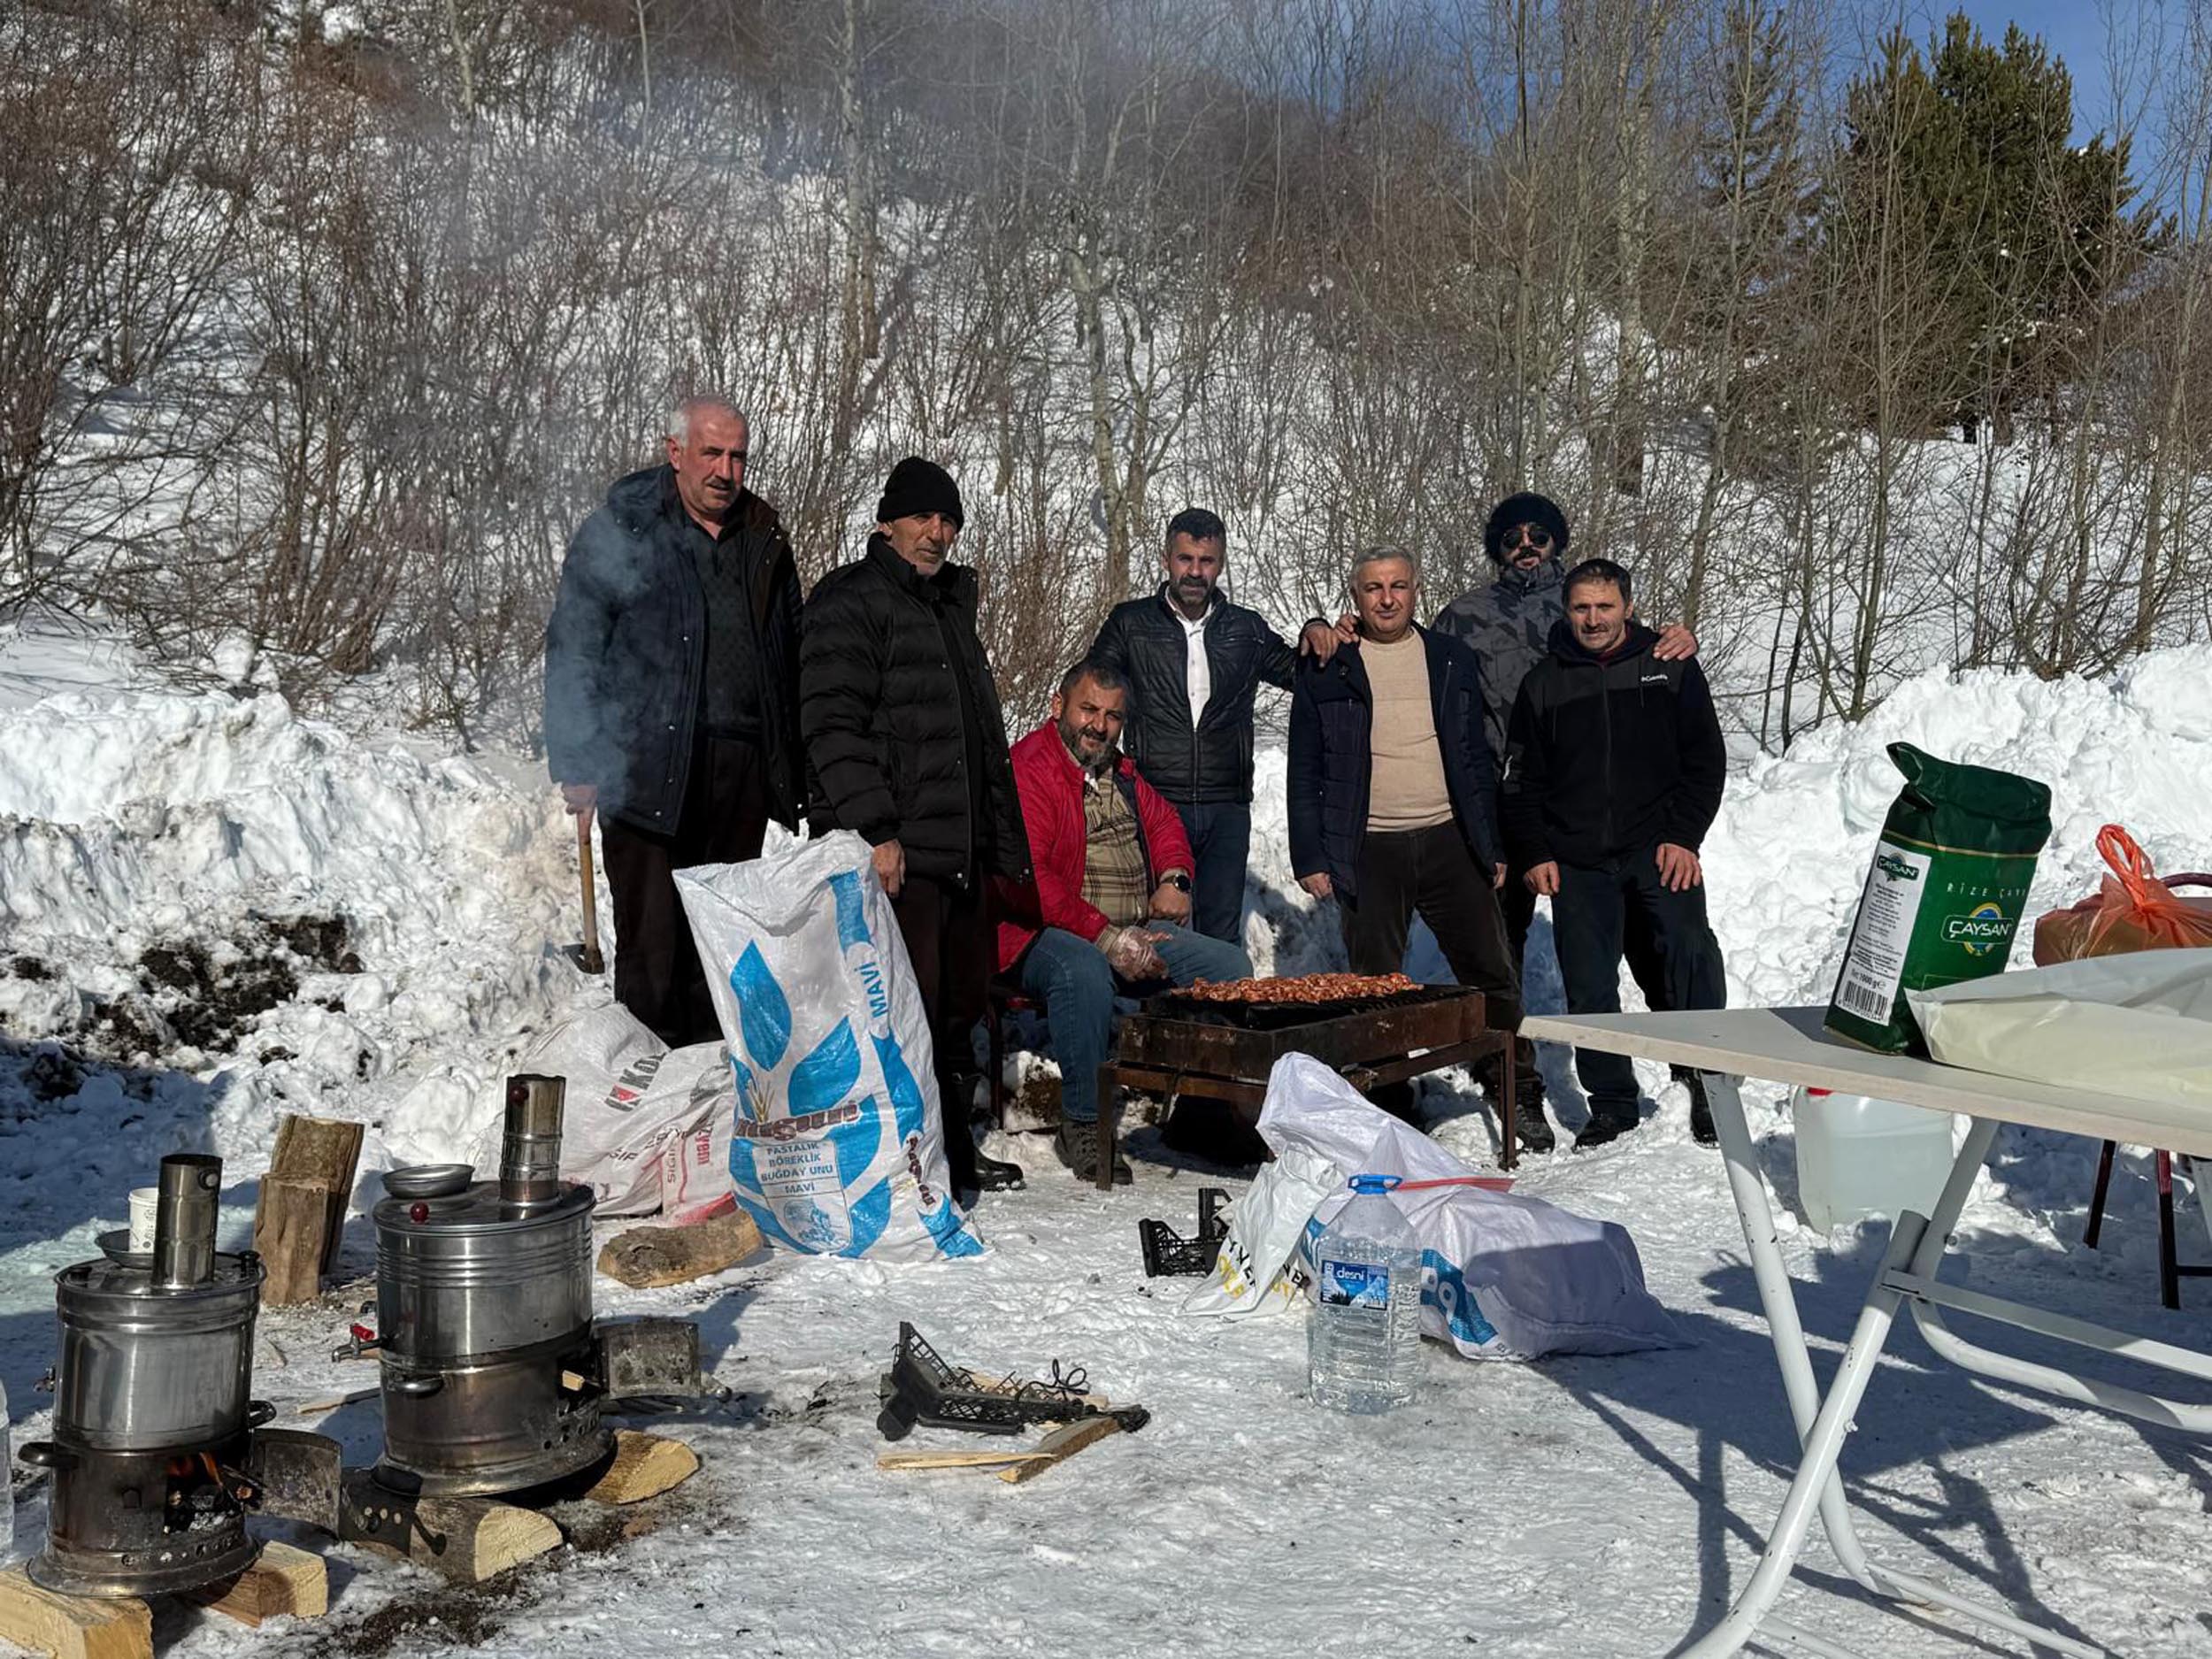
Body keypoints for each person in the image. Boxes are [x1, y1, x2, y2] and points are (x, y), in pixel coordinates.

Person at [1430, 491, 1700, 1151]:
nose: (1526, 542)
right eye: (1513, 534)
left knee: (1653, 938)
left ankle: (1694, 1067)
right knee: (1504, 948)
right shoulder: (1463, 616)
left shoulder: (1585, 604)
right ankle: (1518, 1084)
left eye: (1539, 532)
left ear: (1557, 540)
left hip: (1592, 803)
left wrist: (1681, 638)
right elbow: (1414, 671)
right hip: (1501, 800)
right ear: (1497, 545)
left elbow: (1644, 652)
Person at [800, 456, 1031, 1200]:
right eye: (924, 517)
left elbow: (974, 736)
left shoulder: (947, 606)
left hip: (954, 850)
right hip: (900, 852)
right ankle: (902, 1168)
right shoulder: (851, 602)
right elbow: (831, 726)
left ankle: (952, 1153)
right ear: (887, 521)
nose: (937, 532)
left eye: (948, 520)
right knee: (903, 1015)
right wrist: (873, 830)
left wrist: (993, 837)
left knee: (958, 1008)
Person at [544, 396, 803, 1047]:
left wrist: (790, 769)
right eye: (711, 452)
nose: (725, 470)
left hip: (738, 773)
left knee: (717, 950)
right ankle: (648, 1107)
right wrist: (577, 759)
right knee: (653, 950)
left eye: (737, 456)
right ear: (675, 451)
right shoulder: (624, 528)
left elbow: (788, 654)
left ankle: (707, 1112)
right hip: (646, 767)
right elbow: (575, 642)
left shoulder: (764, 538)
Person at [1287, 545, 1541, 1126]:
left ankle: (1514, 1083)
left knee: (1490, 971)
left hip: (1449, 837)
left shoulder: (1449, 656)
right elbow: (1304, 766)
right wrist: (1310, 852)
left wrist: (1492, 843)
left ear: (1415, 589)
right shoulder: (1329, 665)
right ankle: (1389, 1094)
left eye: (1398, 585)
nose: (1386, 598)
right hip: (1369, 846)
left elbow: (1475, 755)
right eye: (1373, 587)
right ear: (1356, 595)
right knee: (1376, 985)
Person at [1502, 557, 1728, 1149]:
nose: (1593, 618)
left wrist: (1684, 835)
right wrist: (1535, 850)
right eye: (1581, 607)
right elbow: (1522, 780)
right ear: (1566, 609)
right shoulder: (1544, 683)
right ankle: (1612, 1102)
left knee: (1688, 955)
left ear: (1627, 606)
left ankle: (1708, 1083)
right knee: (1590, 982)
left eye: (1605, 606)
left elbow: (1705, 760)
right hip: (1578, 859)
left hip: (1658, 848)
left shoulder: (1669, 665)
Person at [998, 661, 1254, 1183]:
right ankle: (1084, 1123)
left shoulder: (1121, 772)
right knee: (1082, 970)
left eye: (1113, 716)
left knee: (1229, 965)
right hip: (1039, 933)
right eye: (1088, 709)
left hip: (1128, 930)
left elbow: (1165, 823)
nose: (1099, 725)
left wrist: (1176, 878)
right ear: (1058, 706)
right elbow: (1033, 880)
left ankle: (1202, 1114)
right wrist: (1107, 938)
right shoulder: (1030, 769)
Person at [1088, 509, 1342, 943]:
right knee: (1162, 935)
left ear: (1220, 564)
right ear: (1167, 558)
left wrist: (1316, 627)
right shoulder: (1130, 623)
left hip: (1227, 807)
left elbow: (1303, 673)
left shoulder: (1246, 629)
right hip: (1156, 801)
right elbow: (1091, 687)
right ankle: (1162, 1013)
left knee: (1221, 935)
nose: (1194, 572)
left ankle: (1214, 1015)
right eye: (1185, 559)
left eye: (1206, 561)